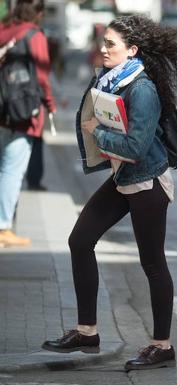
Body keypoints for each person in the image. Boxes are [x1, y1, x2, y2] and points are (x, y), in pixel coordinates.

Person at [41, 15, 177, 371]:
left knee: (152, 264)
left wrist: (97, 133)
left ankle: (162, 345)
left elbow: (136, 146)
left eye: (111, 44)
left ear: (132, 50)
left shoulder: (141, 88)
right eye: (103, 42)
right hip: (125, 178)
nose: (103, 48)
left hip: (147, 182)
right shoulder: (114, 80)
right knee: (80, 241)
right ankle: (87, 331)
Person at [0, 0, 56, 247]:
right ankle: (3, 227)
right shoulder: (34, 35)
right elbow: (42, 76)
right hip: (22, 112)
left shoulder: (4, 30)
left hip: (2, 109)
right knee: (11, 170)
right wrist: (50, 104)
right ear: (39, 13)